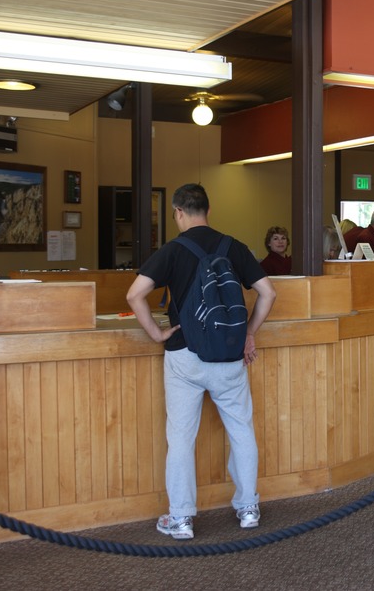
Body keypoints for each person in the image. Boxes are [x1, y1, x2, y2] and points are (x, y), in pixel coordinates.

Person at [126, 183, 277, 540]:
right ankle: (248, 508)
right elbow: (268, 293)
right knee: (241, 430)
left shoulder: (173, 250)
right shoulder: (233, 246)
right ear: (208, 210)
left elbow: (135, 295)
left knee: (180, 437)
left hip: (184, 355)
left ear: (178, 212)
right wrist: (249, 334)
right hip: (228, 356)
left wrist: (156, 334)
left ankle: (180, 519)